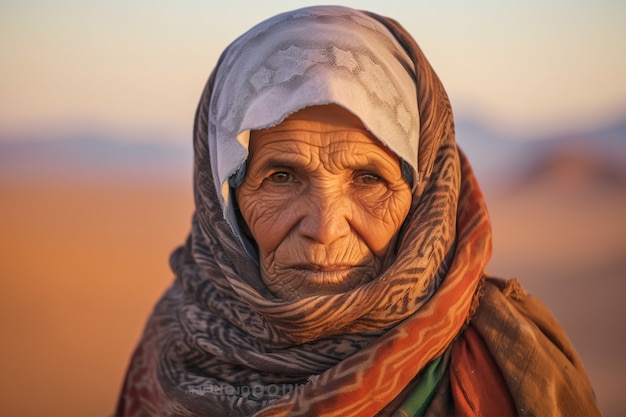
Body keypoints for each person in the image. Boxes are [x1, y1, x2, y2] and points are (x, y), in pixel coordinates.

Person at [115, 6, 601, 416]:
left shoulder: (503, 360)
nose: (325, 228)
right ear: (222, 200)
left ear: (426, 194)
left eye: (370, 179)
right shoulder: (175, 347)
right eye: (280, 177)